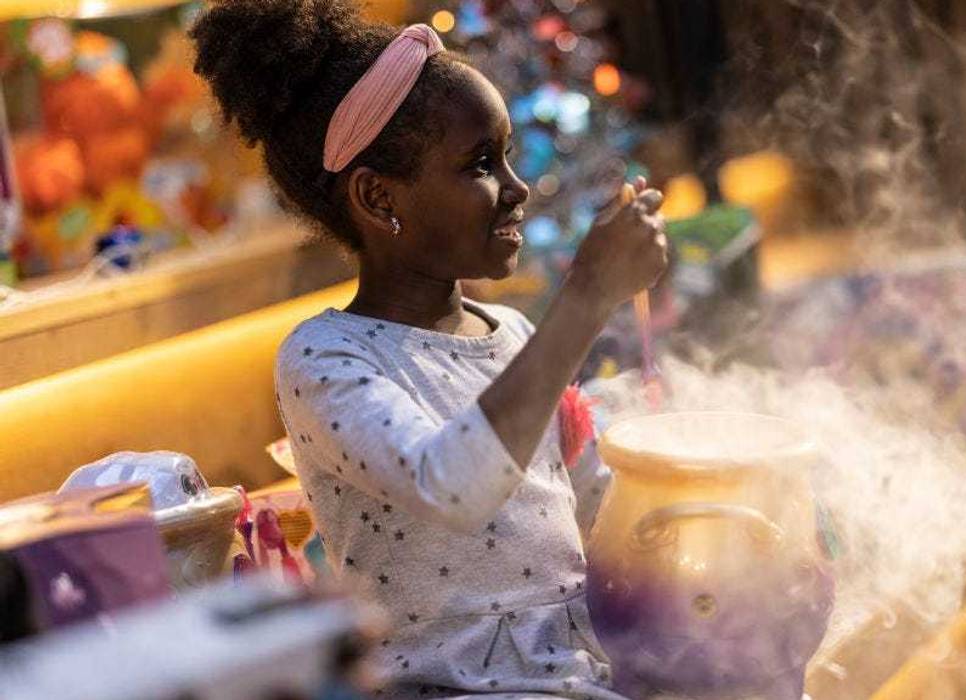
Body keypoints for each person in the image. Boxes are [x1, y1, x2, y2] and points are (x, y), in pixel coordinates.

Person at [191, 2, 667, 698]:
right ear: (379, 197)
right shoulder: (326, 358)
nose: (517, 188)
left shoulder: (514, 336)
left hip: (582, 676)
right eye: (481, 163)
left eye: (506, 156)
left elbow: (596, 507)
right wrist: (587, 297)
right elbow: (452, 485)